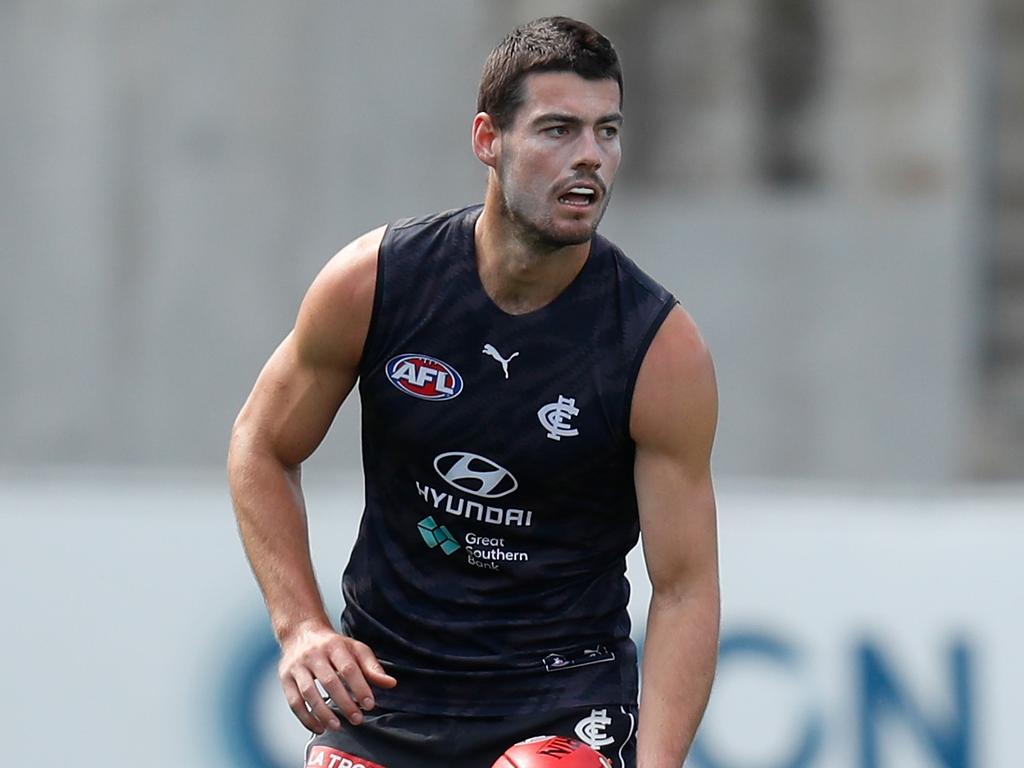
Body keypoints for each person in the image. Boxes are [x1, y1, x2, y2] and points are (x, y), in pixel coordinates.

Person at [228, 16, 719, 768]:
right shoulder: (375, 283)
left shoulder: (657, 348)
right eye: (558, 129)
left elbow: (684, 589)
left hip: (560, 703)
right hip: (389, 693)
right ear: (488, 139)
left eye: (607, 131)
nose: (590, 157)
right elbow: (260, 444)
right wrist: (301, 628)